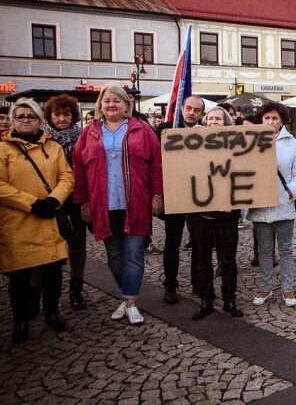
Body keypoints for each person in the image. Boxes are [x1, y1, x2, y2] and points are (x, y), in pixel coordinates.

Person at [73, 85, 163, 325]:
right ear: (100, 105)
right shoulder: (89, 132)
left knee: (133, 254)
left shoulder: (141, 129)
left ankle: (131, 302)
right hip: (103, 203)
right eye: (107, 101)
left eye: (117, 101)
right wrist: (83, 201)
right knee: (113, 255)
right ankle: (127, 294)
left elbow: (157, 163)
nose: (111, 105)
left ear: (126, 105)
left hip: (134, 202)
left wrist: (157, 194)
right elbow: (79, 169)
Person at [0, 98, 73, 344]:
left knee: (53, 273)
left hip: (48, 220)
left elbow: (66, 177)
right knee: (19, 277)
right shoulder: (3, 149)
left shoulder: (53, 148)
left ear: (40, 120)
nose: (25, 121)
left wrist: (54, 201)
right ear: (12, 120)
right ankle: (21, 321)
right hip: (18, 221)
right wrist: (30, 203)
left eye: (30, 116)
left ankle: (52, 312)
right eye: (20, 116)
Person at [249, 101, 296, 308]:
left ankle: (287, 288)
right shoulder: (251, 141)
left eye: (274, 118)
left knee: (285, 249)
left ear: (281, 120)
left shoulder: (291, 143)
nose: (270, 121)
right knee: (264, 251)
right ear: (261, 120)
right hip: (260, 207)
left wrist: (290, 191)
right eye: (267, 118)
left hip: (284, 205)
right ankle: (265, 287)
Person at [187, 106, 243, 320]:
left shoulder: (236, 144)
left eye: (218, 119)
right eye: (210, 119)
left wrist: (233, 201)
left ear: (227, 123)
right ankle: (206, 299)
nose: (213, 122)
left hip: (227, 213)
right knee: (202, 258)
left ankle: (230, 299)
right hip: (200, 213)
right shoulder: (193, 143)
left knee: (227, 259)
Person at [155, 95, 205, 304]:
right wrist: (157, 195)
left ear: (201, 114)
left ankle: (198, 282)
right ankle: (170, 283)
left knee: (199, 241)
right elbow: (156, 162)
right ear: (182, 109)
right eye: (188, 108)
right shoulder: (166, 129)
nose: (192, 112)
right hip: (174, 192)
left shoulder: (206, 132)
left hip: (197, 194)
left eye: (196, 110)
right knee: (172, 241)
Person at [44, 94, 89, 309]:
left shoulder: (83, 137)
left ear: (73, 116)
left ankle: (76, 287)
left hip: (77, 197)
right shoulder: (43, 139)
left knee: (77, 242)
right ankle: (42, 291)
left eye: (66, 114)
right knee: (49, 241)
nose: (62, 118)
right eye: (57, 114)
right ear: (50, 117)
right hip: (51, 198)